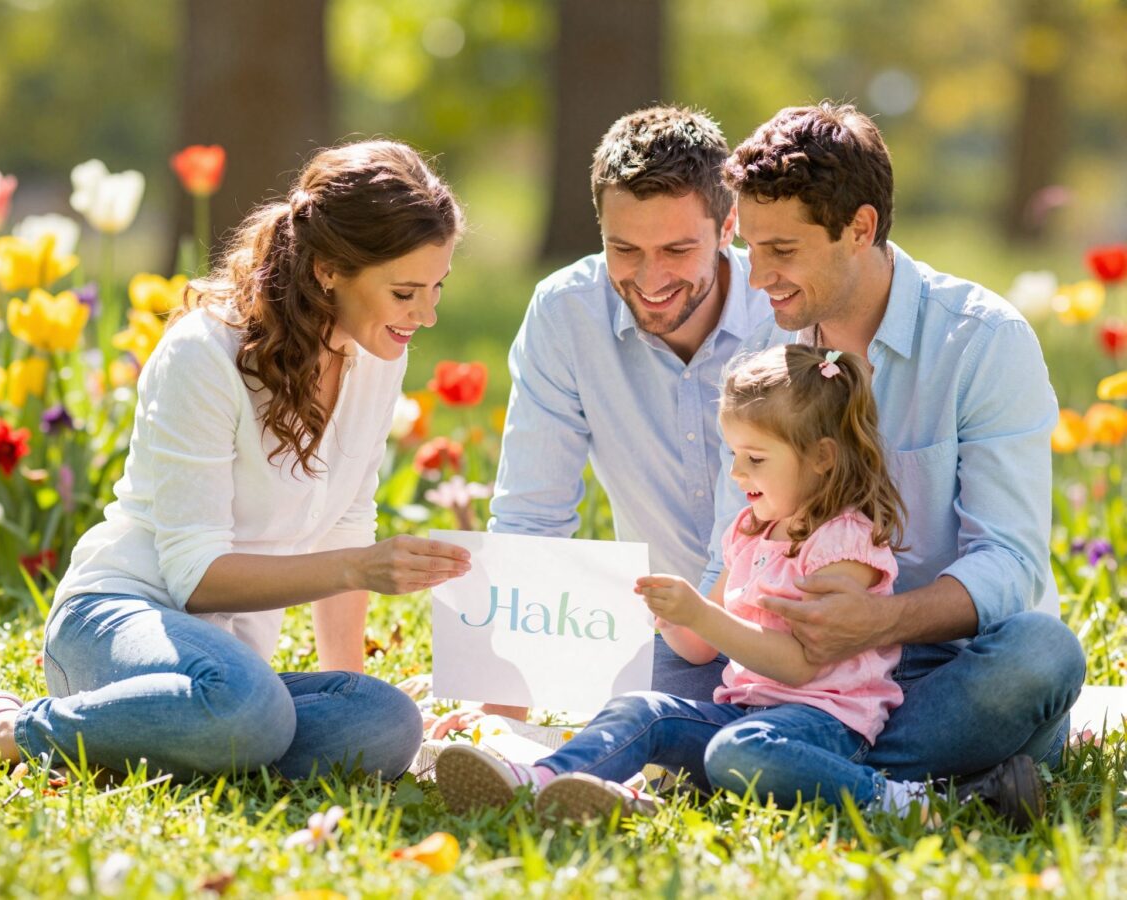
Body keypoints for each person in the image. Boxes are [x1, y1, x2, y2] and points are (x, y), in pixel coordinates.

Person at [0, 141, 473, 780]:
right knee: (246, 710)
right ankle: (0, 728)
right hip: (118, 618)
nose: (427, 314)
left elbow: (349, 520)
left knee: (385, 724)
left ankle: (184, 733)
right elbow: (195, 577)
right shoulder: (206, 353)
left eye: (437, 288)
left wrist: (347, 687)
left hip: (230, 669)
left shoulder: (377, 353)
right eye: (406, 291)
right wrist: (358, 569)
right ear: (329, 269)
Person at [435, 345, 1042, 827]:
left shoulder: (845, 544)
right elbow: (699, 650)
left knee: (739, 753)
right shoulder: (751, 530)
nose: (736, 473)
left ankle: (911, 803)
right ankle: (542, 780)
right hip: (745, 715)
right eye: (733, 454)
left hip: (824, 727)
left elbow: (801, 666)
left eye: (755, 458)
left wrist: (701, 614)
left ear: (822, 458)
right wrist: (654, 606)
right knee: (642, 709)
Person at [680, 102, 1084, 788]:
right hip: (805, 677)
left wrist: (876, 623)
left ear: (859, 228)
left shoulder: (982, 340)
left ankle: (808, 770)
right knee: (664, 674)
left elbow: (1009, 561)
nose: (756, 278)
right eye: (750, 249)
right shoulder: (769, 351)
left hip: (951, 666)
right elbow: (742, 526)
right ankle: (932, 785)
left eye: (783, 251)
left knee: (1043, 654)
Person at [425, 106, 770, 734]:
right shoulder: (567, 314)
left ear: (729, 227)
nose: (649, 277)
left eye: (676, 249)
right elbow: (532, 514)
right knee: (632, 706)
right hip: (675, 639)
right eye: (624, 248)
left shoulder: (782, 311)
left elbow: (748, 521)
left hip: (782, 630)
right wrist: (501, 711)